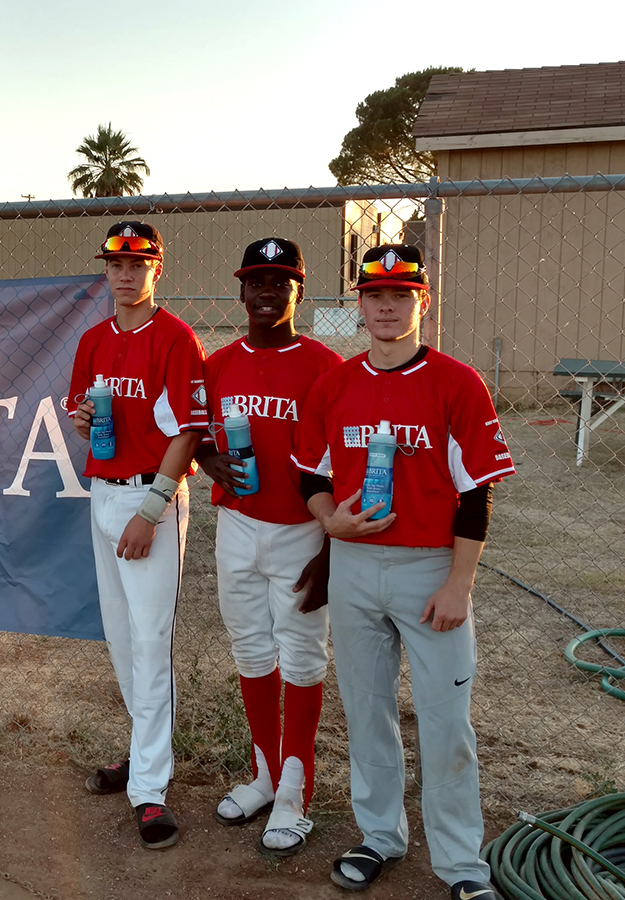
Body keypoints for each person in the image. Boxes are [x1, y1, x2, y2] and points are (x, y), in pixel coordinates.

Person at [293, 245, 513, 900]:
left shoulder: (456, 381)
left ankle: (461, 863)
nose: (387, 307)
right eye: (375, 295)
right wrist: (330, 520)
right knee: (367, 711)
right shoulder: (335, 382)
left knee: (447, 723)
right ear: (358, 305)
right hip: (356, 567)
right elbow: (311, 473)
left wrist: (459, 583)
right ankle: (380, 835)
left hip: (430, 570)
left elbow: (476, 493)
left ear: (424, 302)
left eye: (401, 295)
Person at [196, 238, 342, 857]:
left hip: (302, 530)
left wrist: (333, 548)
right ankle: (263, 773)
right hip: (238, 525)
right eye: (256, 282)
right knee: (251, 647)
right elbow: (197, 437)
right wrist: (210, 464)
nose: (266, 293)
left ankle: (295, 790)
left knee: (302, 653)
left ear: (298, 292)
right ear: (241, 292)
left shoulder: (324, 366)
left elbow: (347, 464)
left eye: (280, 283)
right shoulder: (220, 362)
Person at [68, 221, 208, 850]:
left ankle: (150, 790)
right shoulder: (94, 339)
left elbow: (188, 431)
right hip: (102, 491)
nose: (126, 275)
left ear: (158, 270)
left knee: (152, 642)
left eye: (138, 264)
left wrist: (151, 510)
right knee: (122, 639)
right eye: (116, 265)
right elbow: (83, 420)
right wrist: (83, 420)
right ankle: (142, 749)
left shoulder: (176, 339)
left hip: (149, 496)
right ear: (106, 271)